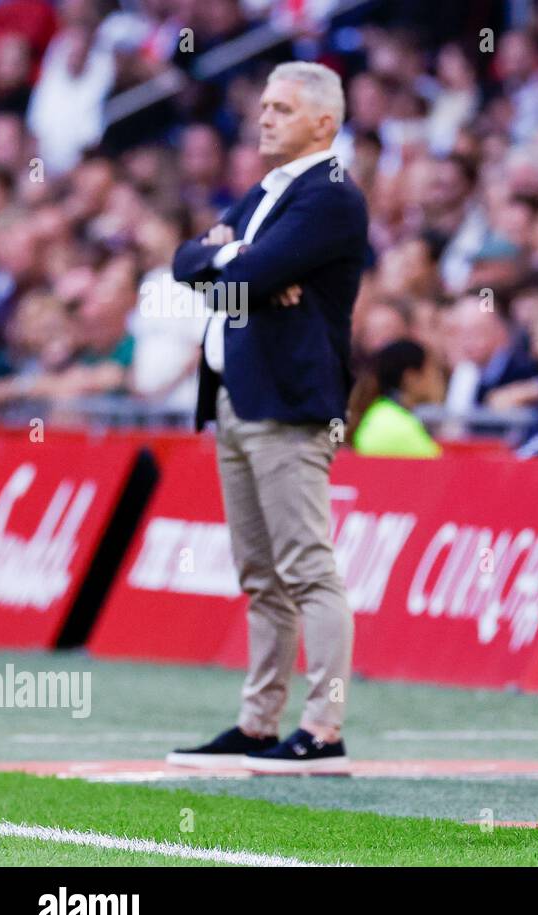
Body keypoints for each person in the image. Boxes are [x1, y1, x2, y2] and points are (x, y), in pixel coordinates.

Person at [166, 62, 368, 774]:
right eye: (264, 107)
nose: (265, 119)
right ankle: (258, 722)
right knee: (262, 574)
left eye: (283, 108)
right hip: (238, 393)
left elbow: (241, 277)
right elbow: (184, 261)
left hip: (287, 400)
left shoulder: (331, 195)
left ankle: (323, 726)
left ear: (324, 121)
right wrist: (233, 253)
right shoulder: (270, 192)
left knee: (307, 567)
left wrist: (236, 260)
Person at [348, 339, 442, 458]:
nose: (439, 380)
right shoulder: (399, 426)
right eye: (434, 371)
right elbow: (440, 470)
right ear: (411, 377)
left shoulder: (380, 413)